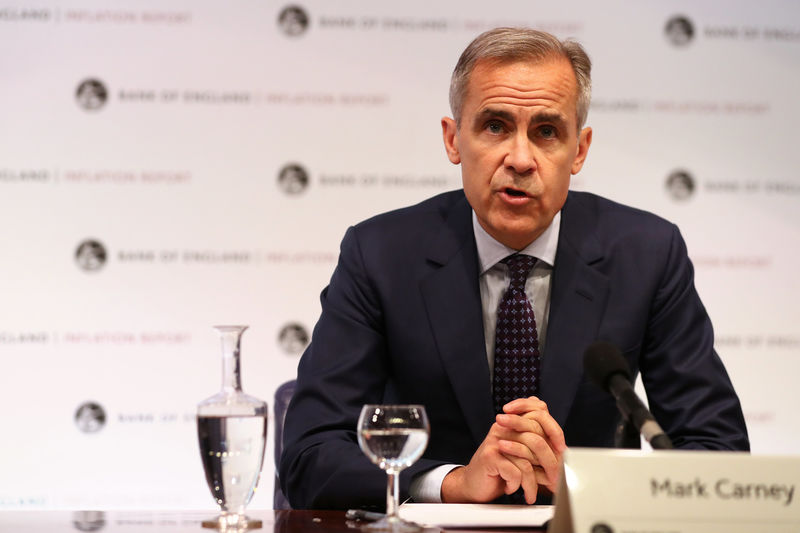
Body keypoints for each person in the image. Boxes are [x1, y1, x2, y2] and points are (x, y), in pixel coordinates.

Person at [279, 27, 749, 510]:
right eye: (496, 126)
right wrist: (454, 483)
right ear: (453, 139)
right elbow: (308, 455)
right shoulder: (380, 254)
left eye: (547, 132)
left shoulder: (647, 254)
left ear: (580, 150)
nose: (521, 159)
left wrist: (583, 483)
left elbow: (719, 453)